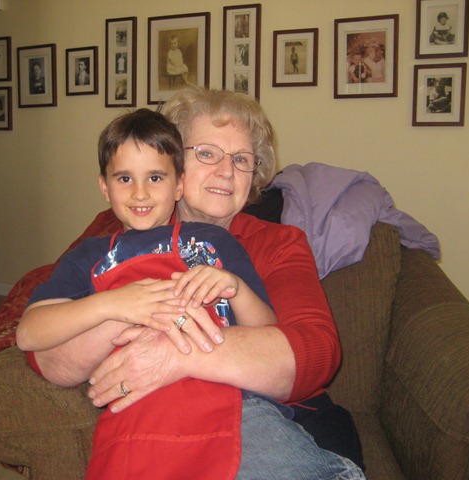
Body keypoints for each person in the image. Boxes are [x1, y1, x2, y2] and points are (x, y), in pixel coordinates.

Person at [30, 87, 365, 474]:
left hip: (279, 421)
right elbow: (48, 352)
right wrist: (123, 311)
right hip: (156, 423)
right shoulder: (116, 234)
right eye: (207, 153)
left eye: (242, 159)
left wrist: (174, 353)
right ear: (171, 162)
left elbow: (316, 353)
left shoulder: (279, 243)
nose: (227, 171)